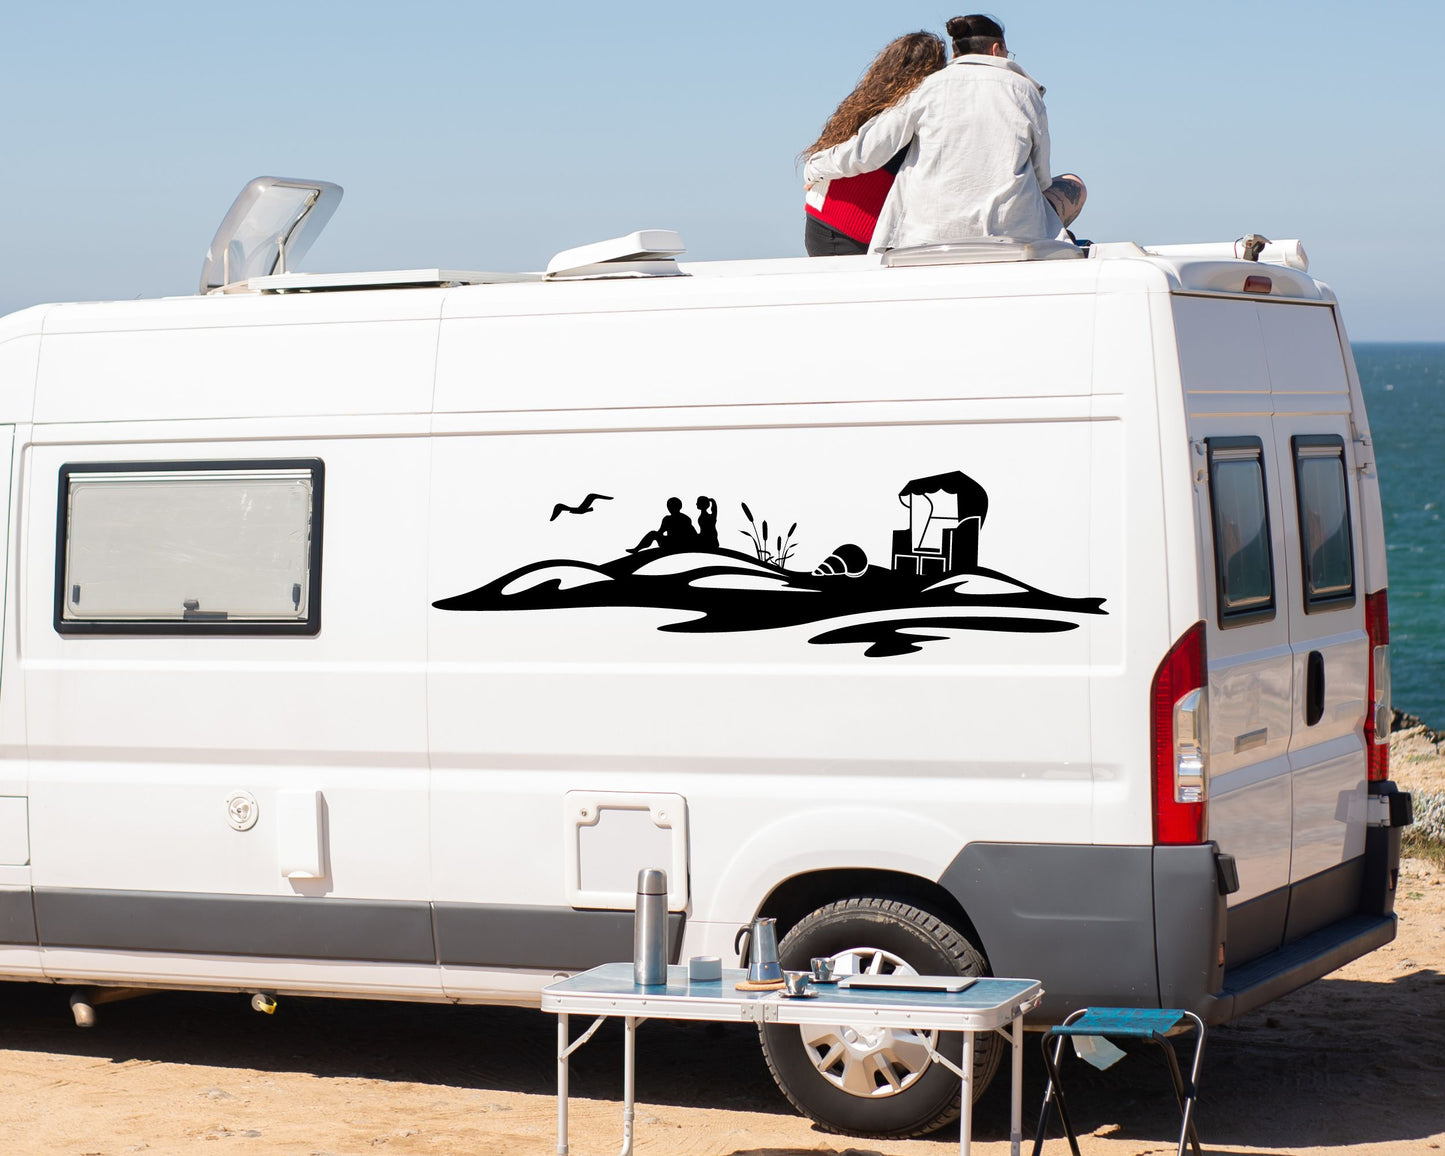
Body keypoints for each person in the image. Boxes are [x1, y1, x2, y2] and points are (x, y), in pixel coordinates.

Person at [803, 15, 1086, 251]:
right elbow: (1041, 177)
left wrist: (815, 167)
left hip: (927, 234)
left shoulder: (926, 89)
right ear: (997, 49)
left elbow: (866, 151)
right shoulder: (1024, 90)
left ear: (954, 54)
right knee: (1074, 184)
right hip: (1008, 233)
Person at [800, 32, 947, 256]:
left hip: (826, 220)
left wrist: (815, 170)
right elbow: (861, 155)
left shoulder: (873, 102)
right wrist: (814, 170)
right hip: (847, 227)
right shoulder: (906, 107)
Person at [627, 497, 698, 553]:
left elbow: (692, 533)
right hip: (670, 542)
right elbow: (660, 531)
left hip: (676, 543)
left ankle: (636, 549)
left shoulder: (684, 518)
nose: (669, 508)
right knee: (653, 533)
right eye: (668, 506)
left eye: (670, 506)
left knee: (653, 534)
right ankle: (637, 549)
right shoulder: (670, 518)